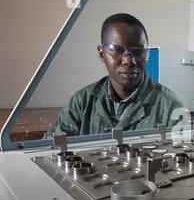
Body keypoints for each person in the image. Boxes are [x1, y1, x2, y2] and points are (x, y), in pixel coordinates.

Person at [43, 13, 183, 139]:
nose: (129, 60)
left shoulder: (170, 107)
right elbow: (50, 148)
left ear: (147, 54)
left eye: (139, 52)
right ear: (101, 53)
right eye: (118, 50)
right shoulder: (83, 102)